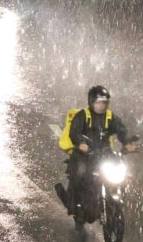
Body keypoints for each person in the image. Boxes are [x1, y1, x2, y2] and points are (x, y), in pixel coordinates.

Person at [55, 85, 137, 214]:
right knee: (78, 174)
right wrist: (80, 143)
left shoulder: (110, 117)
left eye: (104, 102)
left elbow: (121, 131)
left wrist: (127, 143)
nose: (101, 106)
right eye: (98, 102)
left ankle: (115, 196)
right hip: (84, 154)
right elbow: (74, 132)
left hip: (104, 154)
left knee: (121, 170)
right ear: (91, 102)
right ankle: (71, 203)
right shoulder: (83, 116)